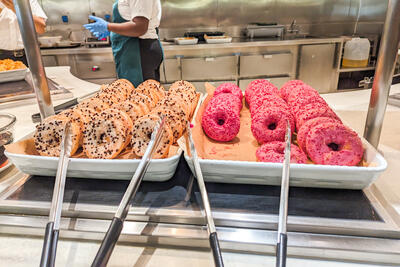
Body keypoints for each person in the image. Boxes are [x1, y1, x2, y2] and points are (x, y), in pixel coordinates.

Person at [84, 0, 163, 87]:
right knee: (130, 92)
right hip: (130, 51)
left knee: (141, 95)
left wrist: (108, 26)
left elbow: (140, 27)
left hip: (138, 52)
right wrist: (113, 31)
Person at [0, 0, 47, 65]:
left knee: (32, 75)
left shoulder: (28, 1)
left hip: (28, 56)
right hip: (1, 57)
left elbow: (41, 28)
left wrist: (16, 8)